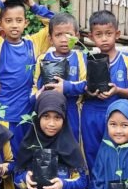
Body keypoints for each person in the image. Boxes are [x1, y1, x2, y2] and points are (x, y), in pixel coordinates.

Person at [0, 0, 56, 156]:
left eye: (19, 20)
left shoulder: (33, 44)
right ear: (1, 24)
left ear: (26, 23)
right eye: (9, 21)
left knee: (27, 160)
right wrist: (0, 0)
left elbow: (56, 24)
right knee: (9, 161)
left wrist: (32, 5)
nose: (14, 25)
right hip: (5, 117)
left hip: (30, 115)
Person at [79, 10, 128, 189]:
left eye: (108, 33)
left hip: (118, 116)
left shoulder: (127, 60)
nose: (104, 39)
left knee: (119, 159)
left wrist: (118, 91)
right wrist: (88, 92)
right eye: (98, 34)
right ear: (91, 37)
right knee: (93, 161)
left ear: (117, 33)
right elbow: (78, 89)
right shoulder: (86, 59)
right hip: (91, 114)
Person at [33, 12, 87, 140]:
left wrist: (66, 87)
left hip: (72, 110)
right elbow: (35, 86)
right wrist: (36, 97)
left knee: (71, 143)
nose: (64, 39)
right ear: (50, 39)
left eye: (69, 34)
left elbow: (87, 84)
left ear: (77, 36)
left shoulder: (80, 58)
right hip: (47, 113)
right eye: (58, 35)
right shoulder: (43, 59)